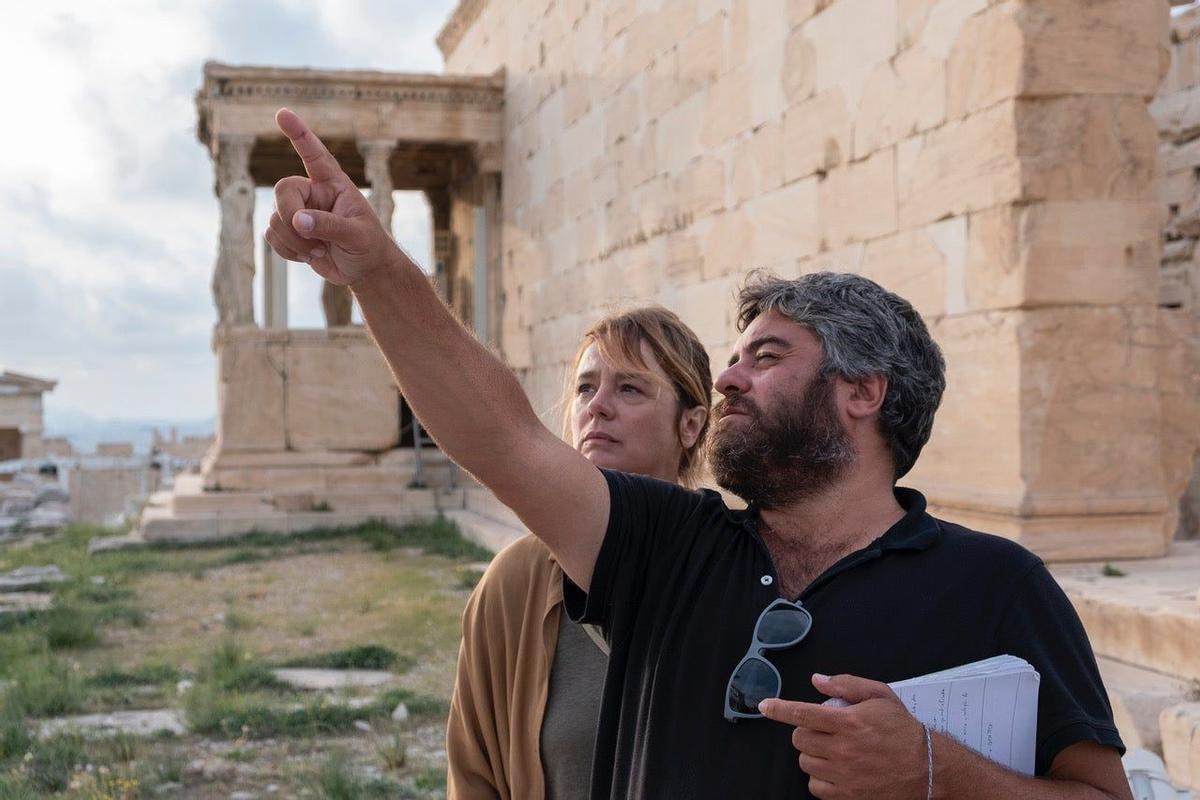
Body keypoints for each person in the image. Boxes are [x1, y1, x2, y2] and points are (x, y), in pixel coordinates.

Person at [264, 108, 1132, 800]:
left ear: (862, 392)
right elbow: (505, 436)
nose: (726, 380)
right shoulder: (671, 547)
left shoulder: (998, 586)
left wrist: (936, 774)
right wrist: (374, 269)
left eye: (766, 357)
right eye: (732, 357)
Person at [445, 307, 712, 800]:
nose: (597, 406)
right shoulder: (515, 582)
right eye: (586, 388)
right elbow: (473, 773)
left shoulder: (736, 565)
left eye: (630, 388)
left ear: (691, 425)